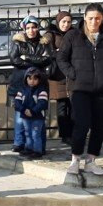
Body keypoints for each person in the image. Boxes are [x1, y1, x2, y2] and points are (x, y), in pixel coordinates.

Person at [56, 3, 103, 176]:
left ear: (102, 19)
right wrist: (73, 74)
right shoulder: (73, 35)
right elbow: (61, 58)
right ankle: (75, 160)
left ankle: (91, 161)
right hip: (80, 88)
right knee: (82, 123)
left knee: (99, 125)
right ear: (85, 18)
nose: (94, 21)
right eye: (91, 18)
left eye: (98, 18)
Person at [8, 16, 51, 152]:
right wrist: (36, 61)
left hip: (39, 84)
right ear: (24, 29)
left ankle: (37, 146)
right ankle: (19, 143)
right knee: (20, 116)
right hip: (20, 83)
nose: (31, 30)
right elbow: (14, 59)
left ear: (38, 28)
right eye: (28, 28)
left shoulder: (44, 42)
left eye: (33, 27)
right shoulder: (18, 42)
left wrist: (27, 58)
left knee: (38, 114)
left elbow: (48, 59)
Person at [43, 11, 74, 144]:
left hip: (71, 73)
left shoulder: (74, 33)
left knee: (73, 106)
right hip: (58, 75)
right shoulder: (51, 34)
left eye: (68, 22)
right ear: (58, 22)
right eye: (63, 22)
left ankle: (73, 134)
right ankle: (65, 135)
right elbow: (48, 51)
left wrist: (60, 53)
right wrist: (60, 54)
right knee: (62, 106)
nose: (66, 25)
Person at [13, 67, 49, 159]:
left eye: (35, 79)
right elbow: (17, 101)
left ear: (39, 80)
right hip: (25, 116)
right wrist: (23, 110)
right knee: (28, 133)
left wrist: (32, 111)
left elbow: (42, 103)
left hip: (37, 117)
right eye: (30, 78)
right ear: (26, 79)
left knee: (35, 134)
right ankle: (29, 149)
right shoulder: (22, 89)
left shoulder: (42, 90)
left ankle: (37, 151)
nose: (32, 81)